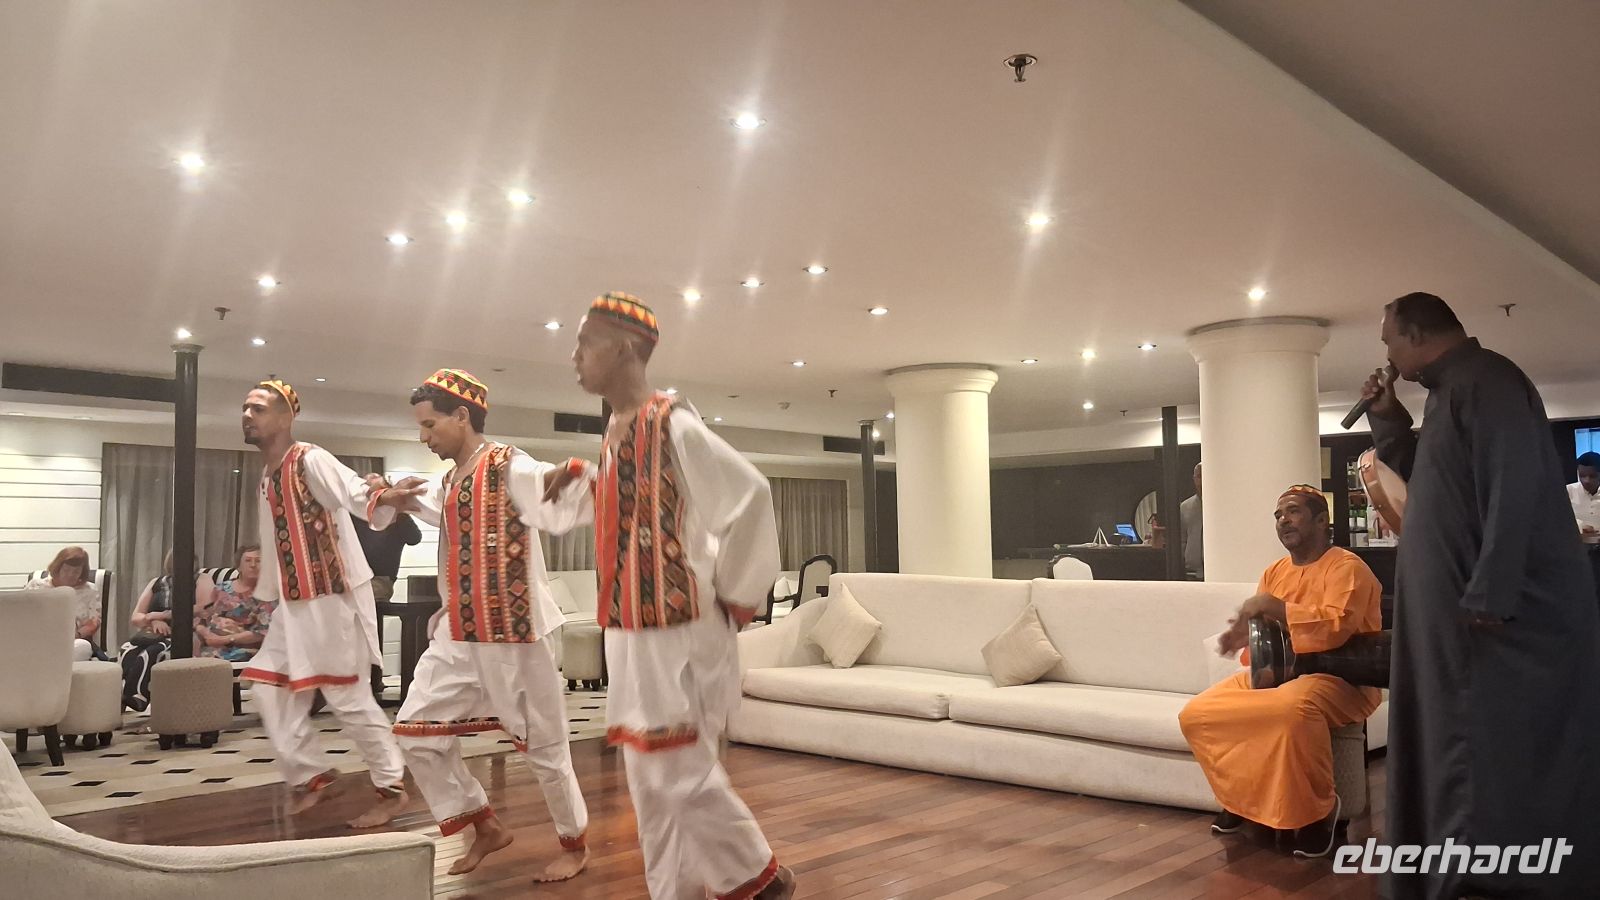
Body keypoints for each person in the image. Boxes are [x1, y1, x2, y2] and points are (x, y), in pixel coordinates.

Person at [540, 292, 795, 900]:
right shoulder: (617, 429)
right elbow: (633, 501)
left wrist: (736, 596)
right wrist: (583, 477)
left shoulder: (672, 422)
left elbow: (750, 495)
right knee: (647, 779)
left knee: (672, 765)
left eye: (585, 342)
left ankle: (756, 877)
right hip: (629, 625)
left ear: (624, 348)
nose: (574, 355)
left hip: (676, 625)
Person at [1362, 292, 1600, 898]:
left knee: (1480, 749)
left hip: (1491, 622)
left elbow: (1514, 485)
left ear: (1416, 335)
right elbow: (1432, 483)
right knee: (1446, 741)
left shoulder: (1488, 380)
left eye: (1389, 340)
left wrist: (1492, 589)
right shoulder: (1447, 393)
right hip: (1450, 618)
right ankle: (1448, 870)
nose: (1387, 354)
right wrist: (1389, 419)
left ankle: (1493, 879)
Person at [369, 369, 588, 881]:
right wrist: (390, 496)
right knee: (417, 732)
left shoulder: (509, 464)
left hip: (517, 629)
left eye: (429, 425)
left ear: (462, 416)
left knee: (543, 746)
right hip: (460, 630)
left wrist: (572, 478)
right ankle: (483, 824)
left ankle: (575, 844)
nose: (424, 437)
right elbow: (422, 506)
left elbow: (546, 484)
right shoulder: (450, 481)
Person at [237, 379, 408, 828]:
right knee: (267, 688)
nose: (248, 416)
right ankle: (313, 775)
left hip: (331, 598)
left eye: (258, 408)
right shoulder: (267, 478)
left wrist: (386, 495)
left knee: (346, 696)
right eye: (245, 408)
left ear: (286, 417)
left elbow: (355, 493)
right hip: (293, 606)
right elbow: (273, 543)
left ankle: (391, 786)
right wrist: (269, 595)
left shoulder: (310, 459)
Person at [1178, 485, 1382, 858]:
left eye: (1293, 512)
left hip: (1341, 677)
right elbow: (1266, 630)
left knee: (1291, 709)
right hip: (1281, 673)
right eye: (1278, 515)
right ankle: (1240, 801)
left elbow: (1336, 627)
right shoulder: (1275, 572)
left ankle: (1318, 816)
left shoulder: (1347, 567)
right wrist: (1243, 632)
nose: (1283, 520)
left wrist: (1275, 606)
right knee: (1198, 714)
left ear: (1321, 521)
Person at [119, 550, 212, 711]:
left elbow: (203, 608)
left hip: (185, 632)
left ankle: (137, 695)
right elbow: (136, 616)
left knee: (155, 652)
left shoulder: (201, 579)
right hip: (154, 632)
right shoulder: (156, 582)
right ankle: (120, 698)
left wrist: (162, 615)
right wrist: (153, 620)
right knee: (128, 649)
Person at [352, 507, 421, 696]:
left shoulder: (395, 518)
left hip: (377, 580)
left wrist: (399, 512)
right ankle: (365, 678)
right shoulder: (358, 514)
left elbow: (415, 538)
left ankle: (369, 679)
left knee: (362, 611)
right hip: (358, 579)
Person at [195, 545, 271, 663]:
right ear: (239, 566)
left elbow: (261, 633)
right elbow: (202, 618)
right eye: (248, 560)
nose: (253, 565)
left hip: (241, 650)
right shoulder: (222, 588)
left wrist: (225, 640)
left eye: (258, 561)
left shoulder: (267, 595)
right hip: (210, 643)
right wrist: (206, 634)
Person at [25, 546, 103, 661]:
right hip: (37, 639)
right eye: (66, 570)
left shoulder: (90, 591)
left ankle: (52, 666)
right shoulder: (37, 586)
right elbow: (23, 614)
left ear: (82, 572)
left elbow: (93, 624)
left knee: (83, 647)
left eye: (76, 571)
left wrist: (75, 635)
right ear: (58, 568)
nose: (71, 575)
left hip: (71, 642)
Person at [1181, 463, 1204, 580]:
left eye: (1205, 475)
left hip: (1218, 568)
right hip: (1191, 573)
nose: (1202, 481)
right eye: (1199, 476)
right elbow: (1182, 539)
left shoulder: (1224, 505)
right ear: (1194, 479)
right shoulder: (1184, 507)